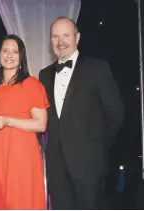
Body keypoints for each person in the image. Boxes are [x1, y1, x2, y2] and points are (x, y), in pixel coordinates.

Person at [39, 17, 124, 209]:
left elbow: (115, 115)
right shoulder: (44, 75)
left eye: (66, 35)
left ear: (77, 37)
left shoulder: (97, 68)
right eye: (55, 36)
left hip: (89, 165)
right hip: (57, 166)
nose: (60, 41)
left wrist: (96, 147)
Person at [0, 34, 49, 210]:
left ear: (21, 56)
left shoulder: (32, 84)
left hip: (21, 154)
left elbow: (41, 124)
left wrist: (8, 121)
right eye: (5, 51)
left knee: (19, 199)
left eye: (15, 52)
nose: (10, 56)